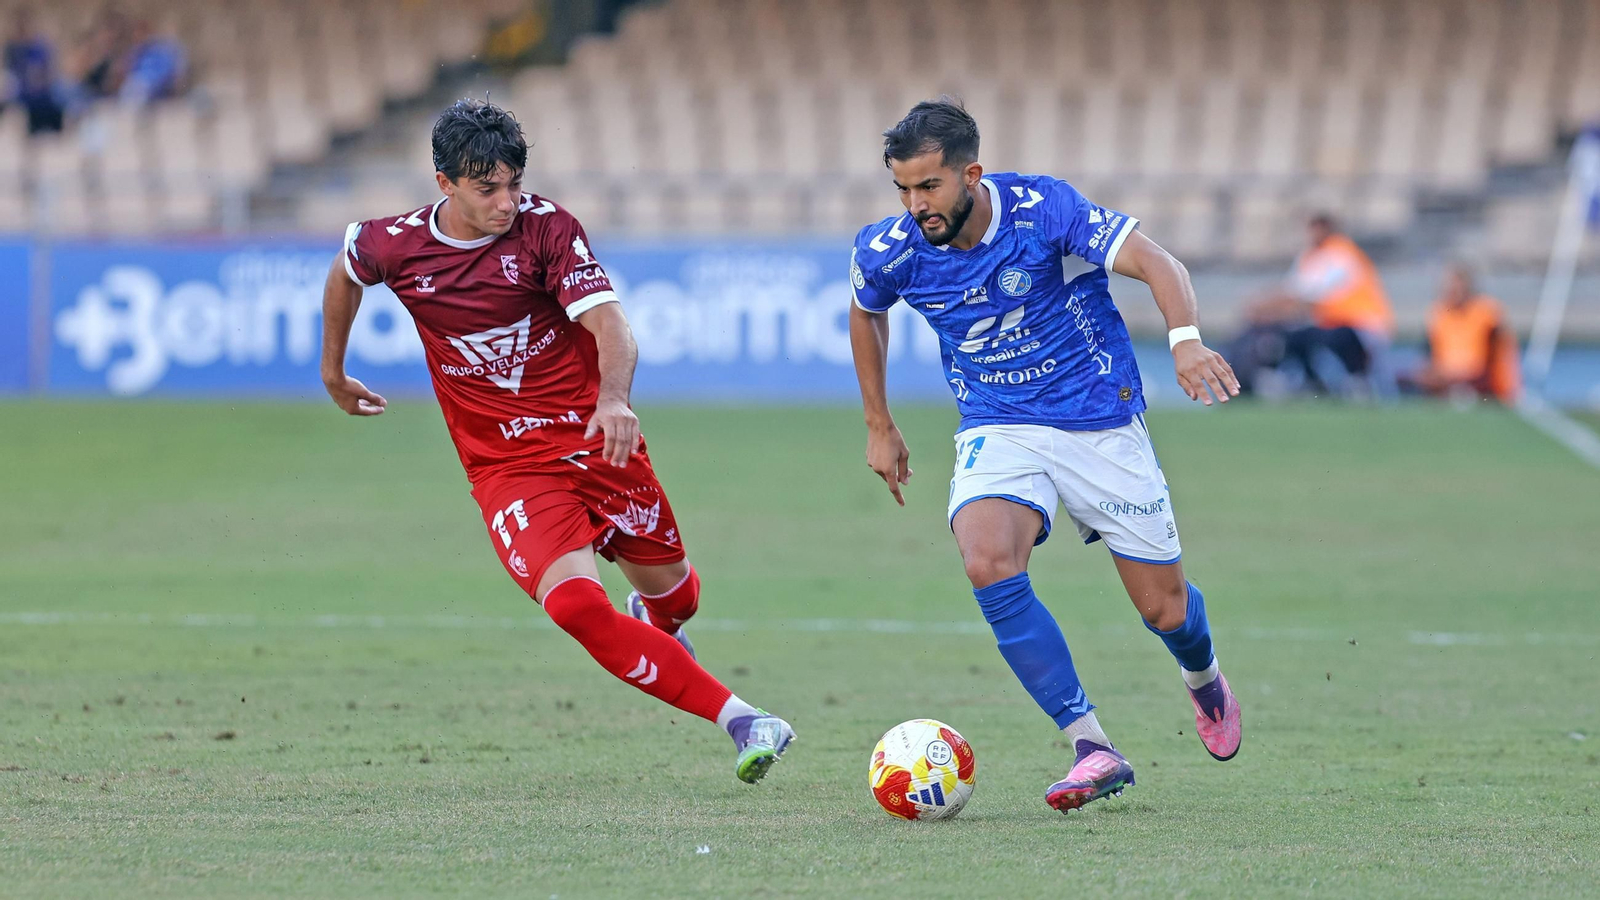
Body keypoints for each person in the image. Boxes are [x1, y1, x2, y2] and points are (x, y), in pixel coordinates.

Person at [319, 99, 794, 784]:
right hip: (508, 467)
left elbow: (610, 323)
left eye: (514, 183)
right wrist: (333, 372)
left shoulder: (547, 231)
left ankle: (655, 617)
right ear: (444, 183)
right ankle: (747, 720)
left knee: (679, 600)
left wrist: (614, 399)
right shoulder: (390, 243)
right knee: (574, 604)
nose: (508, 201)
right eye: (489, 189)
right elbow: (346, 271)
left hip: (598, 443)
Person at [847, 97, 1242, 815]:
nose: (915, 206)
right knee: (985, 560)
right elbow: (865, 307)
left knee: (1165, 610)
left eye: (929, 187)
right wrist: (880, 422)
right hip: (997, 423)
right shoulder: (893, 248)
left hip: (1098, 420)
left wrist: (1185, 342)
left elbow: (1157, 262)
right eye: (902, 189)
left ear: (970, 174)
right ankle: (1092, 746)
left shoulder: (1042, 210)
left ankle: (1203, 675)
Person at [1233, 213, 1397, 398]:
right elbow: (1292, 289)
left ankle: (1357, 380)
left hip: (1360, 323)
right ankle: (1313, 383)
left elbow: (1309, 295)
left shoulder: (1342, 253)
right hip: (1329, 323)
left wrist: (1268, 307)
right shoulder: (1310, 256)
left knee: (1337, 338)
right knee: (1294, 338)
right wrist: (1266, 305)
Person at [1401, 263, 1521, 405]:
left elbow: (1494, 358)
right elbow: (1431, 353)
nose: (1451, 290)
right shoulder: (1439, 312)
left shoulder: (1487, 312)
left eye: (1455, 285)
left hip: (1477, 375)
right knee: (1406, 378)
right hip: (1445, 374)